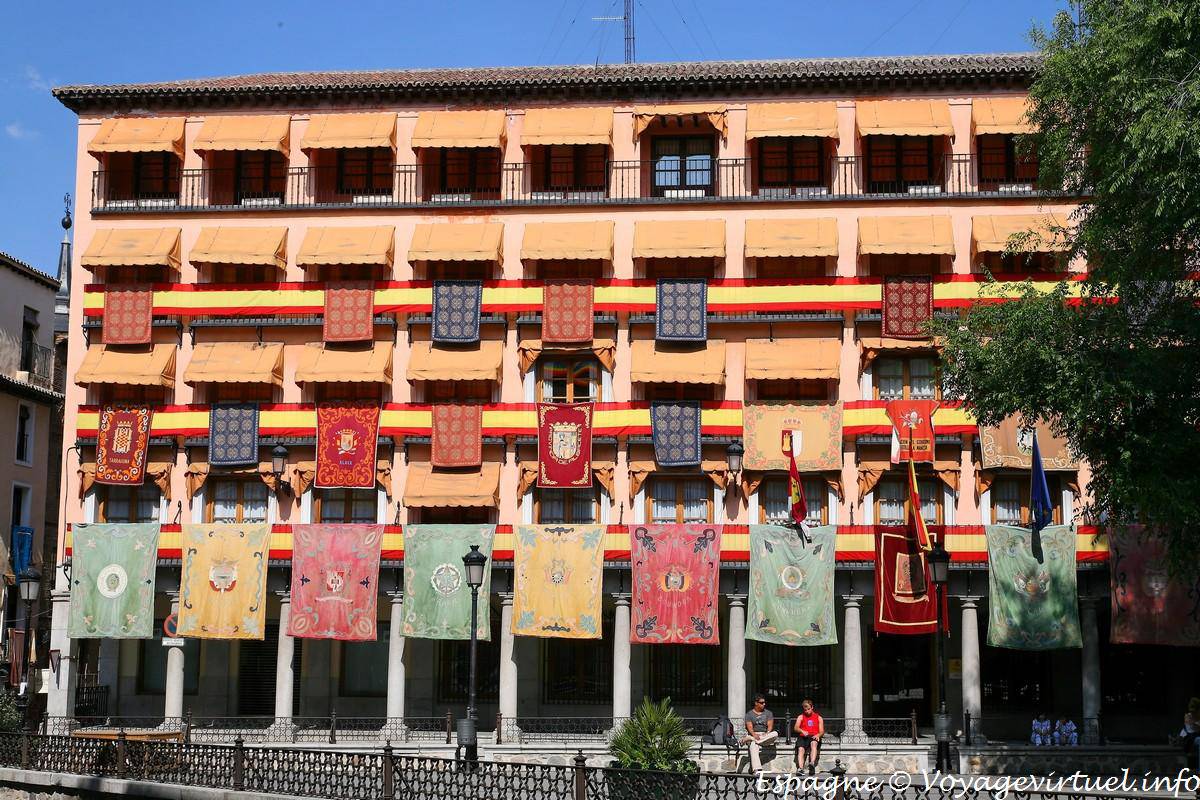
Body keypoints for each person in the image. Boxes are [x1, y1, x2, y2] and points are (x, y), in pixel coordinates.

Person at [742, 694, 778, 772]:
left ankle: (750, 738)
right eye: (762, 703)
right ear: (756, 703)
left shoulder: (768, 713)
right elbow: (750, 728)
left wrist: (767, 733)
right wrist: (754, 735)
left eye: (764, 702)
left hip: (765, 736)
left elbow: (770, 726)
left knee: (775, 733)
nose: (764, 704)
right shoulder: (749, 714)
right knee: (753, 746)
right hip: (755, 735)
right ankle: (757, 769)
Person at [793, 698, 825, 775]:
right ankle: (800, 769)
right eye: (805, 710)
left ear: (812, 707)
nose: (807, 711)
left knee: (814, 744)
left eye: (808, 709)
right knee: (801, 749)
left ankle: (812, 763)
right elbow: (796, 728)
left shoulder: (819, 717)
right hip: (803, 736)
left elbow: (822, 731)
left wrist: (818, 735)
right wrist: (802, 731)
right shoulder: (801, 717)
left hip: (814, 736)